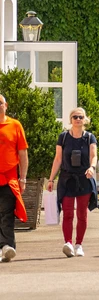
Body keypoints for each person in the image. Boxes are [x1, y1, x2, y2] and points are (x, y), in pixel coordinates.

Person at [47, 107, 98, 257]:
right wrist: (51, 179)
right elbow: (58, 159)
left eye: (80, 117)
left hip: (84, 179)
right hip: (67, 179)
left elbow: (94, 156)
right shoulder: (63, 137)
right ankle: (68, 243)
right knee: (68, 213)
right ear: (70, 120)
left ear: (85, 120)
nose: (77, 119)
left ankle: (79, 244)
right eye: (75, 117)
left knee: (82, 215)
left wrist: (92, 167)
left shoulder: (89, 137)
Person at [0, 93, 28, 263]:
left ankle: (7, 246)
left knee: (6, 213)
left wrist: (23, 178)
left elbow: (23, 153)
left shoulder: (15, 125)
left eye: (0, 103)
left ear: (6, 105)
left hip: (9, 177)